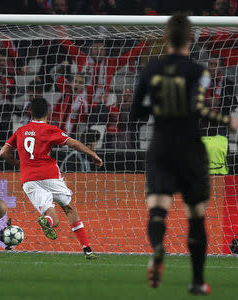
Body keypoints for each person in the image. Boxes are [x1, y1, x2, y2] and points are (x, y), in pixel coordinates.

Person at [130, 14, 238, 295]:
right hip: (190, 147)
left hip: (161, 145)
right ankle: (197, 281)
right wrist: (228, 121)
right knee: (196, 215)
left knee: (157, 206)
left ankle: (157, 248)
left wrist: (158, 108)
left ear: (166, 38)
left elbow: (135, 113)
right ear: (191, 39)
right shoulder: (199, 71)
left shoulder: (150, 68)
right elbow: (198, 109)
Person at [0, 97, 103, 259]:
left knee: (50, 213)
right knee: (68, 208)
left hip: (28, 179)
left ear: (30, 112)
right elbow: (73, 143)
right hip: (49, 175)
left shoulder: (20, 131)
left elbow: (3, 152)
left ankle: (47, 220)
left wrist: (19, 164)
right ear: (48, 112)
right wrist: (92, 154)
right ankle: (87, 248)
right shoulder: (49, 129)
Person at [200, 54, 237, 174]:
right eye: (210, 64)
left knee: (221, 155)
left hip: (220, 124)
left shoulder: (228, 83)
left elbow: (233, 103)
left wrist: (220, 101)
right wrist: (207, 101)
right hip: (203, 123)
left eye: (215, 64)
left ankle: (225, 177)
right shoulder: (201, 83)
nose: (211, 67)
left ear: (221, 67)